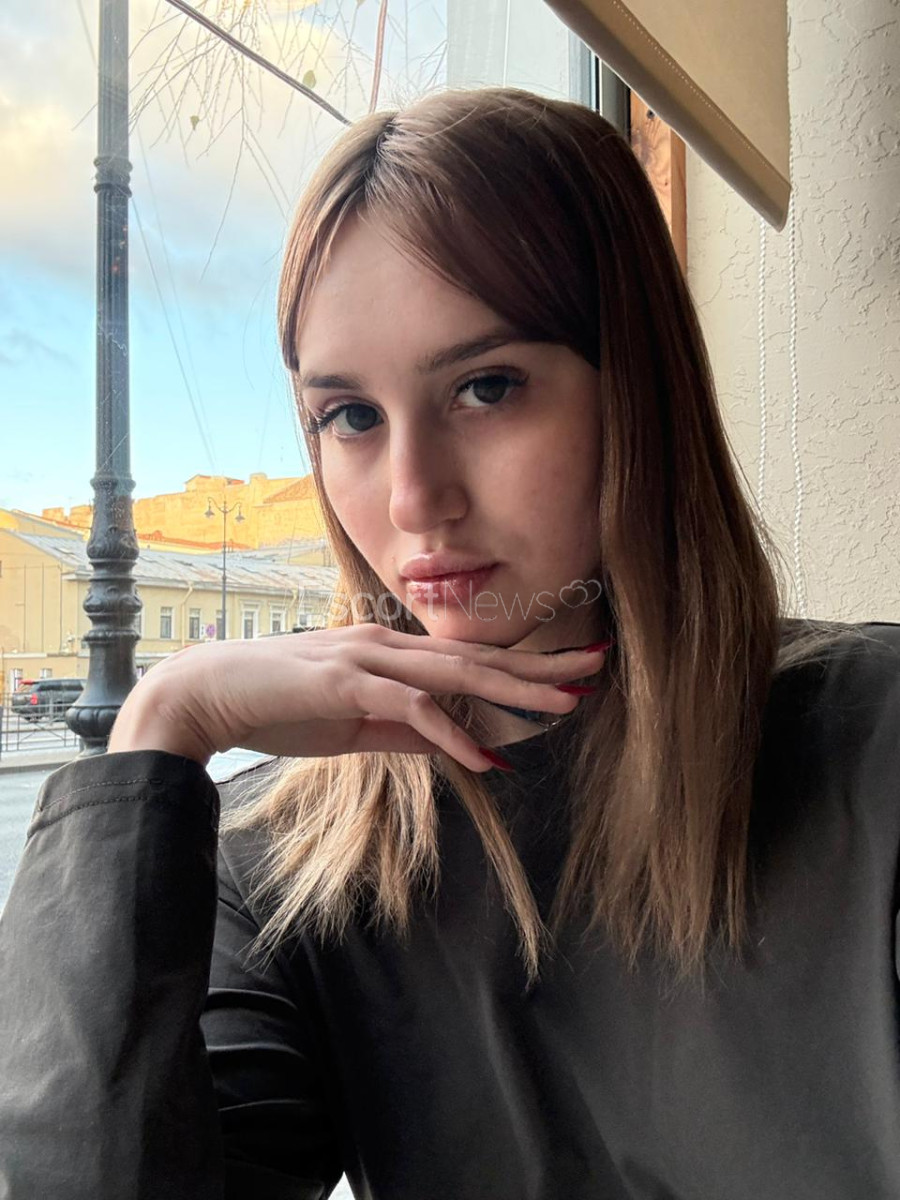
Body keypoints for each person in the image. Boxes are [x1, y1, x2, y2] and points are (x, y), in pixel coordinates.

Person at [0, 86, 898, 1200]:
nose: (414, 499)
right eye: (350, 417)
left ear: (637, 389)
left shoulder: (876, 746)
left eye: (486, 387)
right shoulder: (281, 868)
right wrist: (161, 726)